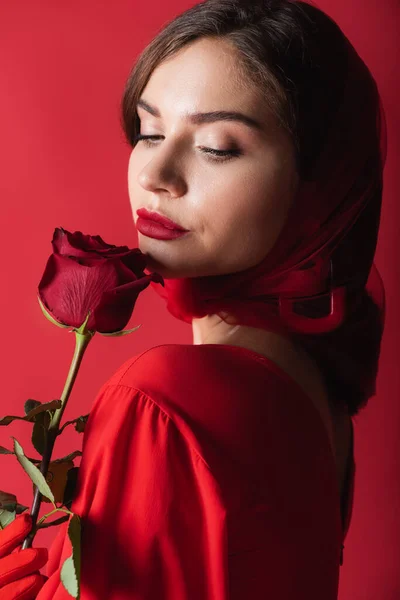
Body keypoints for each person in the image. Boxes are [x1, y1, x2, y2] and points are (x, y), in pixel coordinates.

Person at [0, 0, 387, 598]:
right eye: (149, 131)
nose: (156, 172)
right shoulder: (323, 405)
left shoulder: (162, 401)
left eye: (216, 147)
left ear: (320, 188)